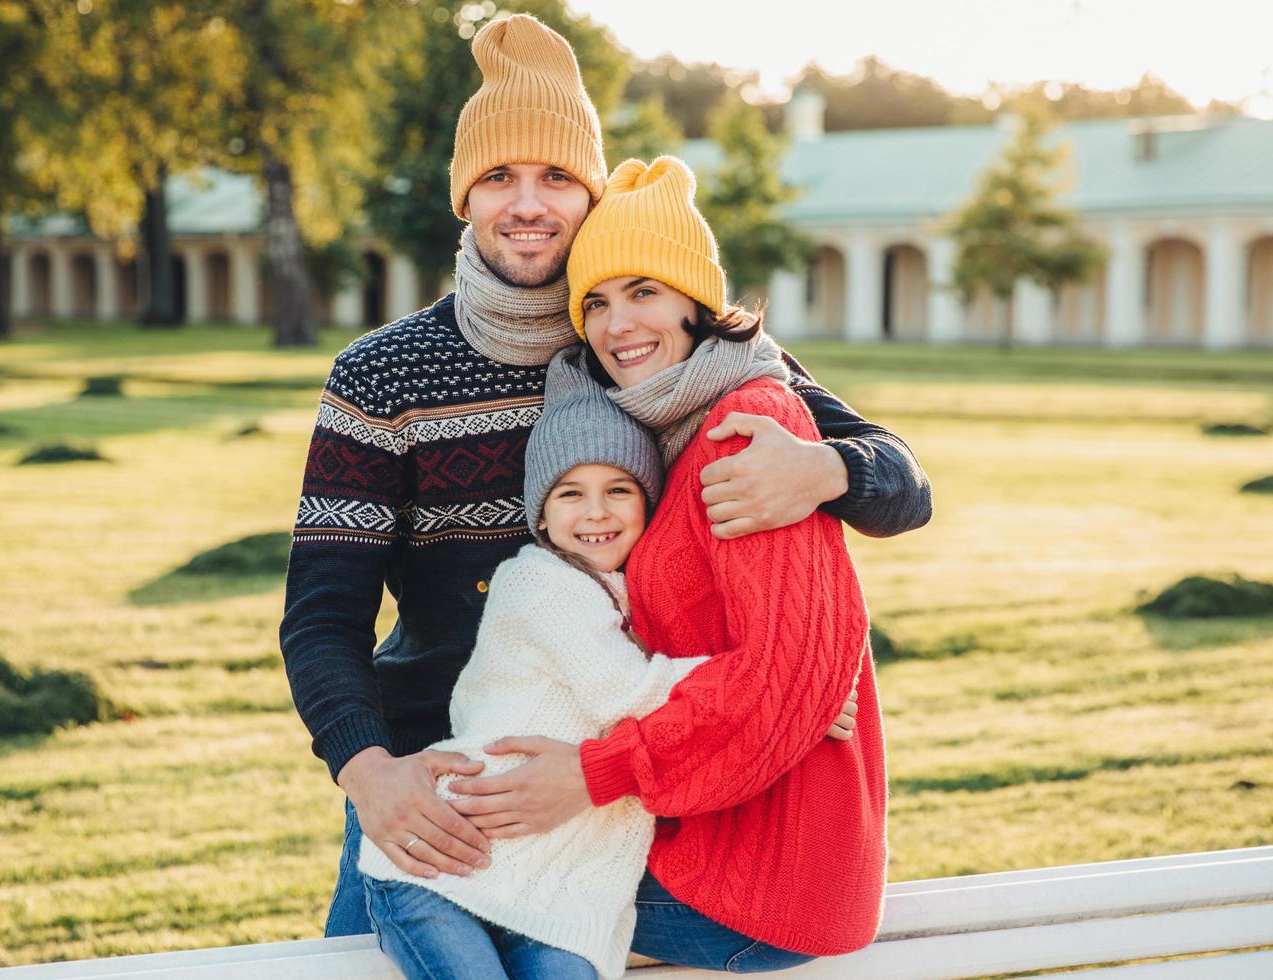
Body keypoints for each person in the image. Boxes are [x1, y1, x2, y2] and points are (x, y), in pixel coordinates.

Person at [280, 13, 928, 941]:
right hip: (434, 774)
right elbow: (321, 613)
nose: (528, 203)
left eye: (557, 177)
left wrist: (826, 467)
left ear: (590, 194)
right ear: (464, 198)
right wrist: (368, 772)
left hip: (616, 772)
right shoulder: (383, 375)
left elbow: (902, 481)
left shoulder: (655, 345)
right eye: (499, 177)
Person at [447, 155, 887, 971]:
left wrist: (592, 773)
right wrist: (785, 690)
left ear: (695, 305)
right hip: (728, 831)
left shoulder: (745, 424)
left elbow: (779, 668)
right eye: (596, 303)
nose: (617, 326)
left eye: (643, 291)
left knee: (429, 874)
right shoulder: (664, 433)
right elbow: (768, 664)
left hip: (759, 880)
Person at [359, 349, 705, 979]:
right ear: (541, 514)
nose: (595, 511)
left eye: (618, 490)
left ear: (648, 503)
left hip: (562, 889)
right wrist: (776, 688)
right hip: (442, 865)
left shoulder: (639, 596)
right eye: (570, 493)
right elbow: (627, 694)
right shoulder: (539, 582)